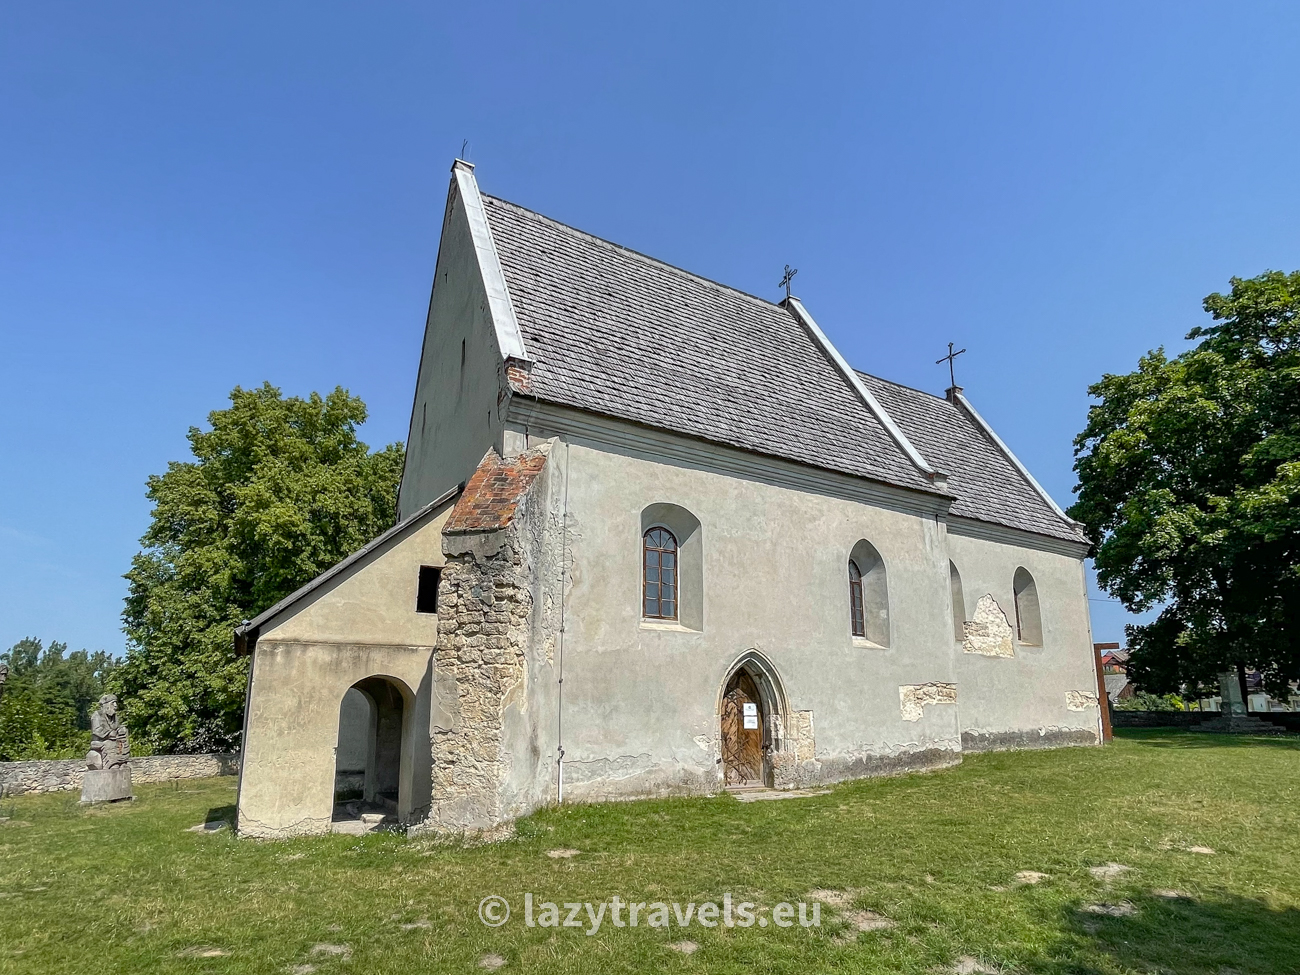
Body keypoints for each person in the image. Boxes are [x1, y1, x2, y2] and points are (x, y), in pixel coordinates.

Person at [86, 694, 130, 770]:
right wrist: (109, 733)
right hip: (100, 741)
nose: (115, 705)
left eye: (116, 702)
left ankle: (122, 762)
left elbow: (117, 727)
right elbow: (96, 730)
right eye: (113, 703)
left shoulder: (115, 717)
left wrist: (121, 730)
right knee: (110, 744)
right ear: (106, 705)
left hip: (114, 739)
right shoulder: (97, 715)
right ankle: (111, 764)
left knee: (122, 742)